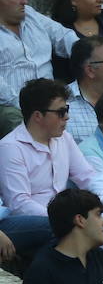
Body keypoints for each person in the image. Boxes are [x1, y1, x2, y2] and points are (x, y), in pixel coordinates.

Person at [0, 78, 95, 218]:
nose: (67, 117)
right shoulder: (10, 148)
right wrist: (62, 221)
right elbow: (18, 204)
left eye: (67, 109)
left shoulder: (64, 138)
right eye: (61, 112)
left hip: (62, 217)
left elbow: (87, 178)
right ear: (38, 116)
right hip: (29, 222)